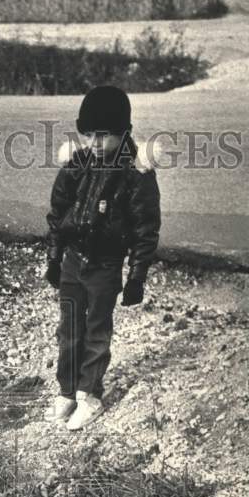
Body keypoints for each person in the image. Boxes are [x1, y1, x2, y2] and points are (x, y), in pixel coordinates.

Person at [44, 85, 161, 430]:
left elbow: (145, 229)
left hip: (105, 265)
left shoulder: (135, 175)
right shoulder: (77, 165)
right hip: (72, 262)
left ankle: (89, 395)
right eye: (90, 134)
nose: (95, 142)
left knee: (96, 331)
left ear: (123, 132)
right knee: (68, 328)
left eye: (104, 135)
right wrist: (54, 257)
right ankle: (67, 390)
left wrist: (137, 276)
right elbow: (57, 213)